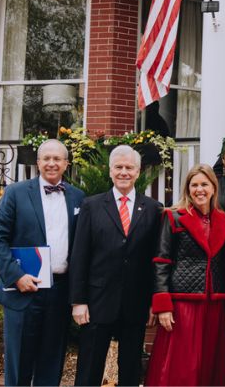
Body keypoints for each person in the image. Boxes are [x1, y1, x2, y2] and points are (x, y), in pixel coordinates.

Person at [0, 139, 85, 386]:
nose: (51, 163)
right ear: (38, 162)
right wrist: (16, 276)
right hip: (23, 291)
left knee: (51, 365)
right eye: (46, 158)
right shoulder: (16, 193)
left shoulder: (78, 197)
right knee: (19, 366)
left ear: (66, 163)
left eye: (57, 159)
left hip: (60, 292)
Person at [70, 145, 162, 386]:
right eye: (118, 167)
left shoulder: (153, 208)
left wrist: (155, 301)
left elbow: (156, 259)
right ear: (110, 171)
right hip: (97, 300)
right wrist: (78, 301)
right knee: (90, 367)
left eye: (129, 167)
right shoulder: (92, 205)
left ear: (138, 172)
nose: (124, 172)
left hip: (135, 302)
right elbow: (80, 255)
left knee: (130, 369)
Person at [146, 164, 225, 386]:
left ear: (214, 188)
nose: (199, 189)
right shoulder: (174, 217)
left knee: (208, 362)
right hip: (182, 303)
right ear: (188, 189)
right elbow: (161, 261)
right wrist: (163, 305)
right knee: (180, 364)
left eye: (204, 184)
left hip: (213, 305)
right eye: (194, 185)